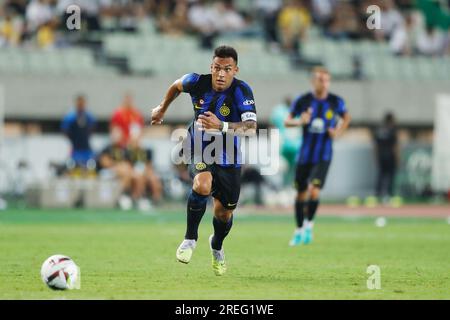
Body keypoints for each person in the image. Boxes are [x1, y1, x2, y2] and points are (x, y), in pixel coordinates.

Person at [150, 45, 257, 276]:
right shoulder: (196, 82)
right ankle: (190, 239)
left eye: (226, 69)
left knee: (224, 213)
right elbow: (176, 86)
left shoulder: (242, 91)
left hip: (229, 156)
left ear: (235, 70)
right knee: (202, 184)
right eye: (217, 68)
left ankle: (216, 245)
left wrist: (222, 125)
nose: (220, 74)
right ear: (211, 67)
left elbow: (251, 128)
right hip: (198, 147)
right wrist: (161, 108)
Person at [284, 67, 351, 246]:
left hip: (324, 154)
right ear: (313, 81)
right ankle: (298, 230)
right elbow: (287, 121)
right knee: (301, 194)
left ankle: (309, 226)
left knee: (314, 189)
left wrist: (338, 131)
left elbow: (346, 118)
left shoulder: (336, 101)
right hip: (305, 155)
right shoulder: (303, 100)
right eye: (321, 79)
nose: (324, 83)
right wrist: (300, 121)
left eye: (327, 80)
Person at [270, 96, 301, 187]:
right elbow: (272, 125)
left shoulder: (298, 111)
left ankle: (292, 189)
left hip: (296, 145)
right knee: (283, 168)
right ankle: (282, 189)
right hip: (284, 145)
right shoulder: (279, 111)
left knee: (295, 169)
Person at [61, 94, 96, 167]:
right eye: (79, 103)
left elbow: (92, 127)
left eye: (82, 103)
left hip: (86, 146)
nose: (81, 105)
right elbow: (64, 129)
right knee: (73, 164)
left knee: (90, 164)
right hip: (75, 147)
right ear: (76, 104)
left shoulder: (89, 116)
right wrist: (71, 138)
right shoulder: (70, 117)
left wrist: (86, 135)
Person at [373, 112, 399, 202]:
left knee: (381, 175)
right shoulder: (392, 130)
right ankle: (389, 194)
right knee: (390, 175)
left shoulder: (379, 130)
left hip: (381, 155)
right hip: (390, 156)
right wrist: (397, 158)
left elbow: (375, 146)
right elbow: (395, 146)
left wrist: (376, 157)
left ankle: (377, 193)